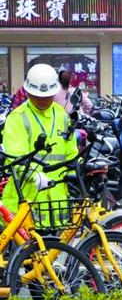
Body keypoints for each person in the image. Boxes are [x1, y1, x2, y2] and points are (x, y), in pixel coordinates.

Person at [2, 64, 78, 216]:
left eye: (47, 96)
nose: (42, 101)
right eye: (37, 96)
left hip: (56, 202)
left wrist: (84, 168)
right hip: (24, 201)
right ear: (28, 93)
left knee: (55, 240)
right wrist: (34, 175)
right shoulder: (18, 118)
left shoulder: (62, 116)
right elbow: (16, 157)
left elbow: (71, 154)